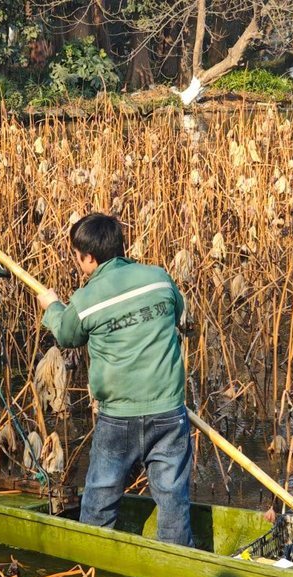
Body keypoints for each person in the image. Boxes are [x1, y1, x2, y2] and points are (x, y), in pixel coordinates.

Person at [36, 212, 193, 546]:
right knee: (172, 497)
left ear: (89, 258)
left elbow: (66, 334)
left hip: (119, 417)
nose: (78, 265)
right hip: (170, 412)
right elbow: (178, 314)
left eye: (77, 258)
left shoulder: (86, 299)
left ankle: (94, 557)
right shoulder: (159, 278)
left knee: (101, 496)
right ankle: (177, 558)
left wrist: (51, 306)